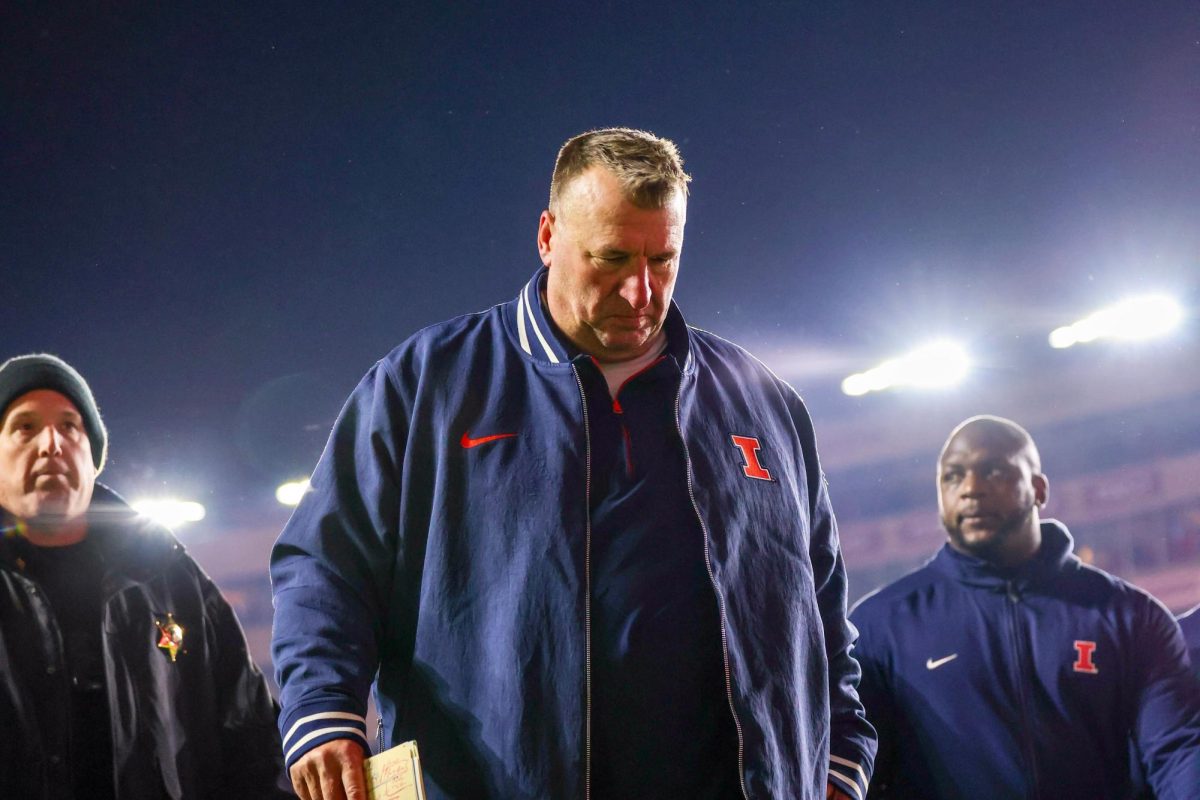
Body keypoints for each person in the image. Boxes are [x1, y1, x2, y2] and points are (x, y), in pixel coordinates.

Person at [271, 128, 876, 800]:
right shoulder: (425, 386)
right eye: (611, 258)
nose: (641, 292)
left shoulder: (765, 406)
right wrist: (323, 712)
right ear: (548, 235)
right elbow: (325, 567)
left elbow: (820, 606)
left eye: (662, 260)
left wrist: (841, 762)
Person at [850, 415, 1200, 799]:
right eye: (953, 476)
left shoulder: (1129, 615)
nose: (971, 489)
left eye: (994, 471)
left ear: (1038, 489)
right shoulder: (881, 627)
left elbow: (1176, 751)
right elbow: (860, 768)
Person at [0, 353, 290, 799]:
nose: (51, 444)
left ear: (93, 457)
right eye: (25, 426)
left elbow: (252, 741)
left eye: (71, 426)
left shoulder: (169, 576)